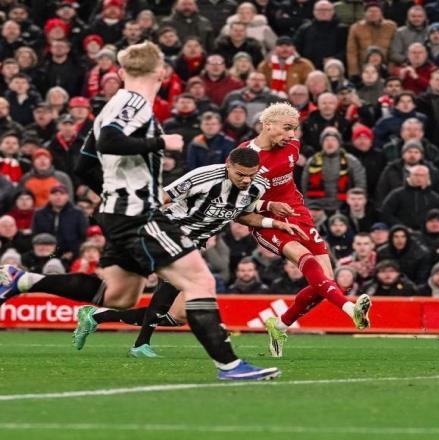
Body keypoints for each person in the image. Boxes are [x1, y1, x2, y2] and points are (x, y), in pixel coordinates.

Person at [0, 41, 279, 381]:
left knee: (119, 295)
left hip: (122, 210)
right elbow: (109, 141)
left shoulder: (115, 104)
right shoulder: (134, 103)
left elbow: (83, 164)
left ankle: (21, 279)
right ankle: (230, 365)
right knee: (200, 280)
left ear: (121, 71)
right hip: (139, 213)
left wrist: (113, 196)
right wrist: (162, 143)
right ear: (161, 72)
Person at [67, 148, 303, 357]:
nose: (246, 180)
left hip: (197, 242)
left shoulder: (258, 185)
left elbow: (242, 214)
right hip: (171, 232)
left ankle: (95, 316)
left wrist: (275, 223)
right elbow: (162, 198)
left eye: (251, 174)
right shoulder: (203, 177)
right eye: (240, 174)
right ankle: (140, 345)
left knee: (177, 316)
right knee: (168, 287)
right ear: (228, 165)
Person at [239, 102, 372, 357]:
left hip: (298, 214)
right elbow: (235, 203)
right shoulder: (244, 158)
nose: (292, 135)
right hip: (264, 220)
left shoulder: (292, 147)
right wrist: (268, 205)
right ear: (267, 125)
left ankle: (279, 326)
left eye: (295, 129)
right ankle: (350, 309)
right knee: (306, 259)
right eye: (287, 128)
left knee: (326, 281)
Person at [301, 129, 366, 211]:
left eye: (333, 140)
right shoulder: (312, 161)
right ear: (322, 143)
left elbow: (360, 185)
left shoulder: (352, 161)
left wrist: (352, 204)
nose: (330, 143)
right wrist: (310, 206)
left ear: (339, 143)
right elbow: (304, 186)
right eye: (326, 140)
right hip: (316, 206)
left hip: (344, 206)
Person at [381, 164, 439, 231]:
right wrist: (401, 227)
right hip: (401, 232)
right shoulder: (397, 194)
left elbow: (438, 217)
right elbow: (385, 213)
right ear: (409, 176)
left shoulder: (434, 197)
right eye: (416, 175)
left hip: (426, 233)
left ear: (428, 177)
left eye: (422, 175)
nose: (419, 178)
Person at [346, 1, 397, 77]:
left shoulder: (391, 26)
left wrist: (391, 70)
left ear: (381, 13)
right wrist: (354, 73)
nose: (373, 14)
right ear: (365, 13)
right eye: (370, 11)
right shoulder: (356, 28)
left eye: (376, 11)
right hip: (363, 68)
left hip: (385, 68)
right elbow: (351, 52)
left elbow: (394, 49)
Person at [293, 0, 348, 69]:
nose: (323, 12)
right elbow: (295, 47)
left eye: (326, 10)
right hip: (308, 68)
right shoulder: (305, 29)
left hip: (334, 68)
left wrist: (335, 58)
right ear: (314, 12)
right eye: (319, 10)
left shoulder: (342, 29)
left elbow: (347, 49)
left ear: (333, 12)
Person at [377, 224, 432, 289]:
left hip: (413, 287)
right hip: (387, 286)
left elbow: (422, 279)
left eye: (403, 236)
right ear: (391, 238)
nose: (400, 240)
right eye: (396, 237)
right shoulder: (382, 252)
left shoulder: (420, 253)